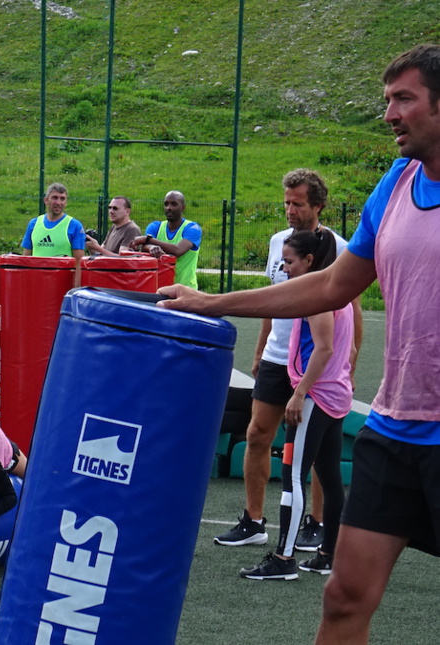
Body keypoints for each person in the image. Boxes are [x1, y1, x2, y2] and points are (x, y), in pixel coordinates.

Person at [159, 43, 440, 645]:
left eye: (404, 99)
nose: (389, 113)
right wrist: (214, 303)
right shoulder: (397, 183)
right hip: (395, 429)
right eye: (387, 99)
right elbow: (335, 285)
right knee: (343, 598)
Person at [213, 169, 362, 551]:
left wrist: (349, 365)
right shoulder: (279, 241)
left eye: (297, 203)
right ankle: (254, 520)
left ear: (317, 205)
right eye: (286, 202)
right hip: (280, 356)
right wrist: (261, 349)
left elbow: (354, 312)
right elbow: (271, 297)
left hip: (316, 364)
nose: (290, 210)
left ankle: (316, 524)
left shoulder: (342, 248)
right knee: (256, 434)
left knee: (310, 451)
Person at [239, 230, 352, 580]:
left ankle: (284, 559)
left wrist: (300, 392)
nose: (284, 269)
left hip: (316, 398)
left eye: (289, 262)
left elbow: (324, 348)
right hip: (335, 396)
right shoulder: (337, 293)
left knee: (293, 477)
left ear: (309, 262)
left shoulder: (317, 295)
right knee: (331, 478)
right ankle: (328, 554)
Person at [129, 190, 202, 288]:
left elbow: (178, 250)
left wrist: (149, 240)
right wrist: (151, 247)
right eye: (166, 204)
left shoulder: (192, 228)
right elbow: (145, 246)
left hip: (185, 290)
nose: (169, 208)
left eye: (174, 204)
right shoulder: (155, 227)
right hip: (159, 289)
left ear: (183, 207)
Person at [21, 182, 87, 261]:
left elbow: (79, 263)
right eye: (54, 198)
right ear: (46, 200)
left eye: (62, 199)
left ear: (66, 203)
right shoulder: (34, 224)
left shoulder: (74, 226)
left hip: (63, 273)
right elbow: (25, 259)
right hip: (37, 273)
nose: (58, 203)